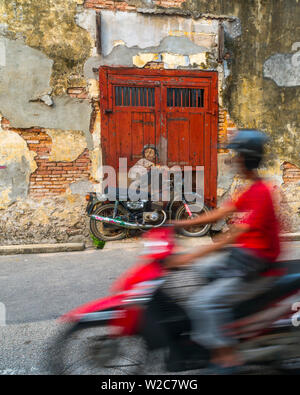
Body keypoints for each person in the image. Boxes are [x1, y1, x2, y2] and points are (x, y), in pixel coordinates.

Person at [165, 129, 281, 369]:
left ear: (246, 158)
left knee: (202, 303)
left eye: (236, 155)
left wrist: (189, 256)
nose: (233, 160)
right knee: (198, 274)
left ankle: (226, 357)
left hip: (255, 268)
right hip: (242, 260)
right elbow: (220, 213)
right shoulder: (250, 189)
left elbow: (231, 237)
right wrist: (179, 223)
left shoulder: (261, 193)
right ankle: (214, 331)